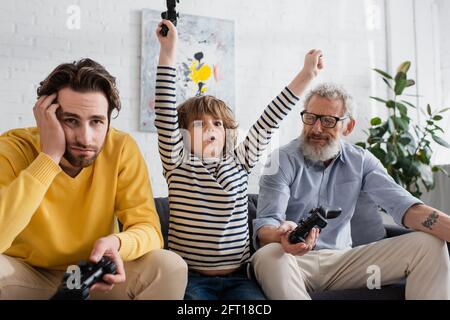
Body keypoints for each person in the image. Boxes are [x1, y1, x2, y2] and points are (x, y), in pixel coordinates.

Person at [154, 19, 324, 300]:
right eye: (200, 124)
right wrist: (168, 52)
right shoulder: (177, 163)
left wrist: (306, 75)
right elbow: (163, 111)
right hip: (190, 281)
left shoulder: (240, 161)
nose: (211, 129)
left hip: (239, 279)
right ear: (183, 135)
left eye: (218, 124)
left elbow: (270, 119)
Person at [0, 58, 187, 300]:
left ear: (109, 121)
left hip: (95, 275)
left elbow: (149, 229)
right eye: (71, 120)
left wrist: (118, 243)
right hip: (29, 276)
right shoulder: (13, 147)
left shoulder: (121, 148)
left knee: (169, 266)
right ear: (46, 115)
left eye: (97, 122)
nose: (86, 138)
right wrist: (49, 157)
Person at [251, 82, 450, 300]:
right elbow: (266, 225)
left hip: (344, 263)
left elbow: (405, 207)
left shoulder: (361, 160)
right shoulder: (281, 159)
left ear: (348, 126)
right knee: (268, 255)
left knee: (429, 244)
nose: (316, 128)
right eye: (310, 118)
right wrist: (283, 236)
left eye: (328, 121)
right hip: (292, 261)